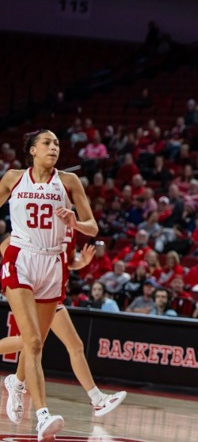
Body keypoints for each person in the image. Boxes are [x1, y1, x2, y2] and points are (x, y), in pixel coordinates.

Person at [0, 129, 99, 440]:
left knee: (36, 343)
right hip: (21, 258)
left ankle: (16, 383)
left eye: (56, 143)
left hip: (53, 264)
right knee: (30, 342)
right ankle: (43, 415)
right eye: (47, 142)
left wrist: (74, 222)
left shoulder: (68, 182)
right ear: (31, 150)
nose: (53, 147)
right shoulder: (13, 177)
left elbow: (92, 227)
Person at [0, 235, 126, 422]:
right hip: (30, 289)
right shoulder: (32, 217)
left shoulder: (66, 230)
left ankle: (97, 399)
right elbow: (5, 247)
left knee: (73, 344)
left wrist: (81, 262)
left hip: (52, 293)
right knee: (31, 343)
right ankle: (17, 383)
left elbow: (68, 262)